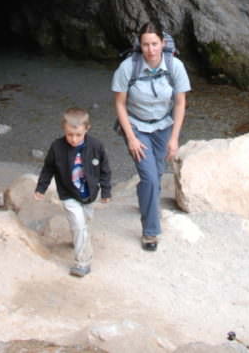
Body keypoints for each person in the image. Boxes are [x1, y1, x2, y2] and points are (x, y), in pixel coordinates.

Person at [112, 21, 191, 251]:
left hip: (163, 126)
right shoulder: (129, 67)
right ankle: (150, 232)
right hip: (136, 126)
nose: (150, 49)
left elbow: (180, 102)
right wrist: (131, 138)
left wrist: (174, 138)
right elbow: (119, 103)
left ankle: (144, 199)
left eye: (155, 44)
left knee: (156, 174)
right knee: (150, 177)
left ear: (162, 43)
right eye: (145, 44)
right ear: (140, 45)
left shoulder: (174, 65)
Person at [34, 107, 112, 277]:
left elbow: (105, 170)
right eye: (70, 135)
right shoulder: (57, 147)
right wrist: (41, 188)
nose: (74, 139)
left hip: (89, 193)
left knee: (85, 221)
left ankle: (78, 240)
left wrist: (106, 191)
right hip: (68, 193)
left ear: (87, 129)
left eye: (78, 135)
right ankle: (82, 262)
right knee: (78, 223)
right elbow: (48, 168)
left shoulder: (96, 146)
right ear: (64, 129)